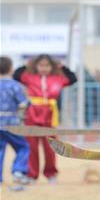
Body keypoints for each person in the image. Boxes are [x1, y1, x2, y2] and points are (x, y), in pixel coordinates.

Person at [13, 54, 78, 183]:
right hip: (32, 114)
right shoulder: (29, 77)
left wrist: (63, 67)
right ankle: (31, 175)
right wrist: (26, 65)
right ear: (36, 66)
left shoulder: (58, 78)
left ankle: (51, 174)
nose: (44, 68)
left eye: (47, 65)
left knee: (50, 147)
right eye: (41, 65)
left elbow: (73, 79)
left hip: (50, 115)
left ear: (52, 66)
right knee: (32, 146)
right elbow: (16, 75)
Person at [0, 56, 31, 187]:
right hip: (11, 123)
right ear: (11, 69)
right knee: (23, 147)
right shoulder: (15, 86)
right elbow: (23, 103)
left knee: (0, 149)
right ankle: (18, 171)